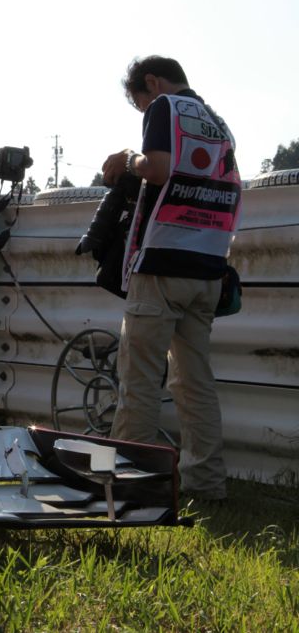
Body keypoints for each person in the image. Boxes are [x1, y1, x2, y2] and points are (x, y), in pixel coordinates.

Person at [101, 55, 240, 500]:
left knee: (139, 379)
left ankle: (130, 488)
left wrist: (129, 157)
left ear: (152, 83)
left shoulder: (166, 108)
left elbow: (157, 168)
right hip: (209, 270)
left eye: (140, 105)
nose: (146, 114)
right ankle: (206, 483)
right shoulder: (219, 124)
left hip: (162, 266)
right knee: (194, 382)